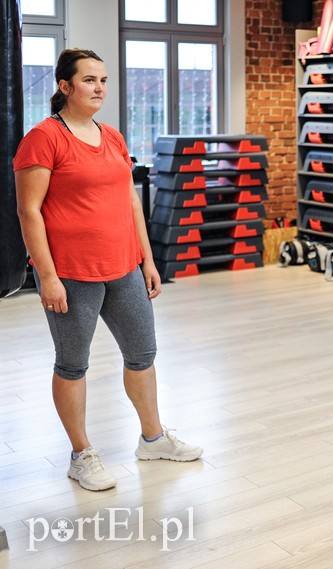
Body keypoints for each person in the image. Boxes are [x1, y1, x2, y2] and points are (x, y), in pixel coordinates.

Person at [14, 48, 202, 492]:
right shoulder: (43, 138)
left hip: (124, 268)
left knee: (143, 354)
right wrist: (47, 275)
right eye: (89, 80)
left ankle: (152, 439)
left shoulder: (112, 137)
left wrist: (147, 258)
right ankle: (81, 454)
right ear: (65, 87)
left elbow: (130, 200)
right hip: (73, 273)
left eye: (103, 80)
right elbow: (28, 211)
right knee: (73, 365)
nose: (100, 88)